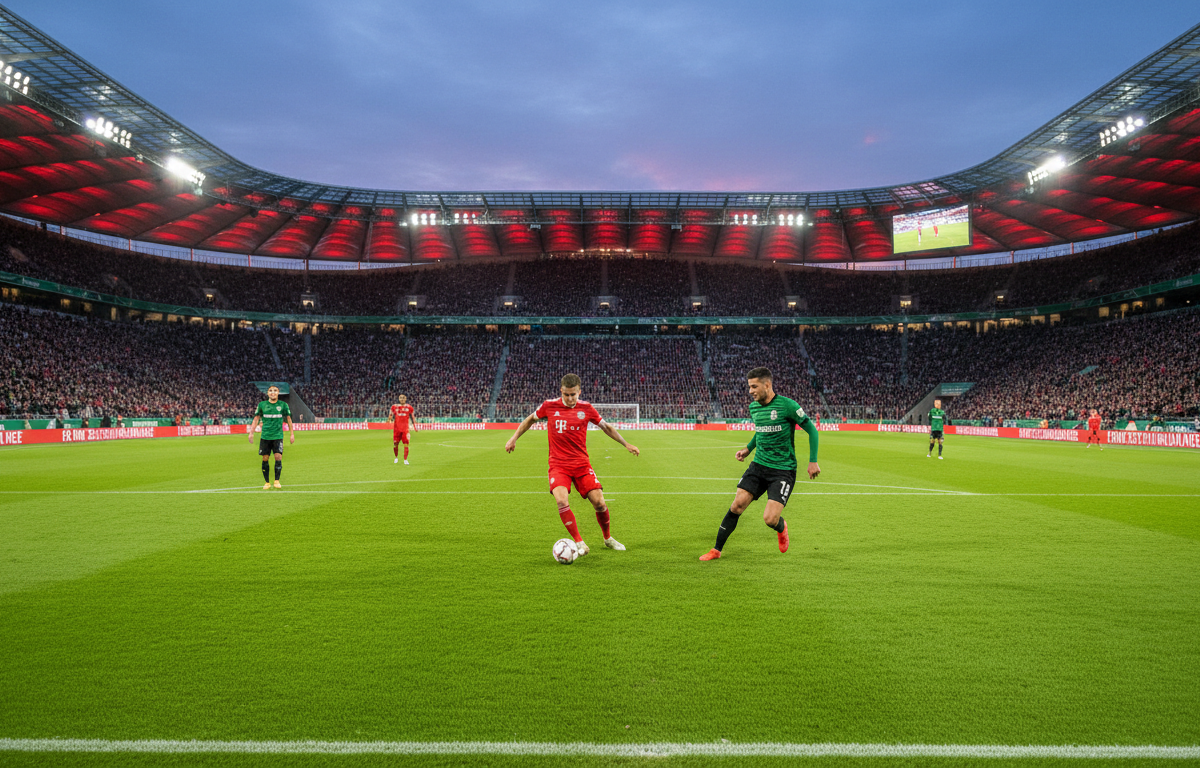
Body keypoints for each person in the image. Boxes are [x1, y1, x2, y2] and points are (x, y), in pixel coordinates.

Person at [505, 373, 639, 556]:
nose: (569, 398)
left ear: (579, 392)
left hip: (582, 464)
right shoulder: (549, 406)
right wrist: (513, 438)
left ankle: (608, 538)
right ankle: (579, 542)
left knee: (599, 503)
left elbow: (606, 427)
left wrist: (626, 444)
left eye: (573, 395)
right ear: (561, 391)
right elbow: (530, 419)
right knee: (561, 500)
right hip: (558, 465)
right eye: (566, 394)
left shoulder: (587, 408)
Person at [699, 367, 820, 561]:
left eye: (754, 386)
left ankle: (781, 527)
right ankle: (716, 550)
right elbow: (761, 430)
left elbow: (812, 430)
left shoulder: (788, 405)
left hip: (783, 470)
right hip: (759, 466)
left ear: (767, 385)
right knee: (737, 505)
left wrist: (813, 461)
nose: (750, 391)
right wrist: (748, 449)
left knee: (770, 519)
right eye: (749, 387)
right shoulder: (754, 407)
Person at [247, 385, 294, 489]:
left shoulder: (283, 405)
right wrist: (251, 433)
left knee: (278, 457)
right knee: (265, 458)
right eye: (271, 391)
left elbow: (289, 419)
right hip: (265, 436)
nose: (273, 392)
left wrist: (292, 434)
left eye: (275, 391)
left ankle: (277, 481)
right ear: (267, 393)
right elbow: (256, 419)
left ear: (278, 393)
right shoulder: (262, 405)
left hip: (278, 436)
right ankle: (267, 482)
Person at [390, 393, 416, 465]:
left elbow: (412, 417)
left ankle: (405, 459)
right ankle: (396, 457)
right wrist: (389, 419)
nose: (402, 399)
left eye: (403, 398)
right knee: (395, 444)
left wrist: (414, 425)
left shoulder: (409, 407)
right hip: (397, 429)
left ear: (405, 399)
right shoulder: (394, 407)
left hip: (405, 429)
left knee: (406, 444)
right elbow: (391, 415)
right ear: (399, 399)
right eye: (400, 398)